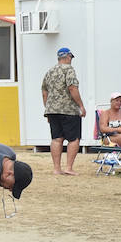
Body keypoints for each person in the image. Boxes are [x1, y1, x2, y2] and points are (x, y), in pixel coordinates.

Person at [41, 46, 86, 175]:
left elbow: (44, 92)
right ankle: (69, 167)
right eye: (71, 57)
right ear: (67, 57)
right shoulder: (69, 70)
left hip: (52, 110)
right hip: (69, 110)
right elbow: (72, 88)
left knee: (56, 138)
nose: (71, 60)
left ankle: (56, 168)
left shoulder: (49, 72)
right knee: (73, 139)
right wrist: (81, 106)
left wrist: (48, 108)